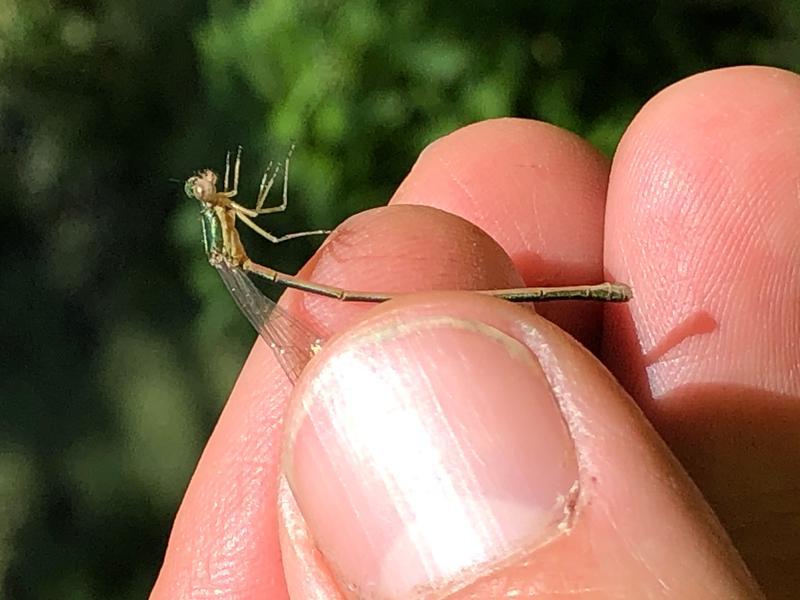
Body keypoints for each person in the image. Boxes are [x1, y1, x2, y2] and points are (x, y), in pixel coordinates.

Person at [152, 66, 798, 599]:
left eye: (207, 185)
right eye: (205, 189)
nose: (208, 187)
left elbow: (260, 221)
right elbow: (269, 233)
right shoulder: (226, 243)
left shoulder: (222, 217)